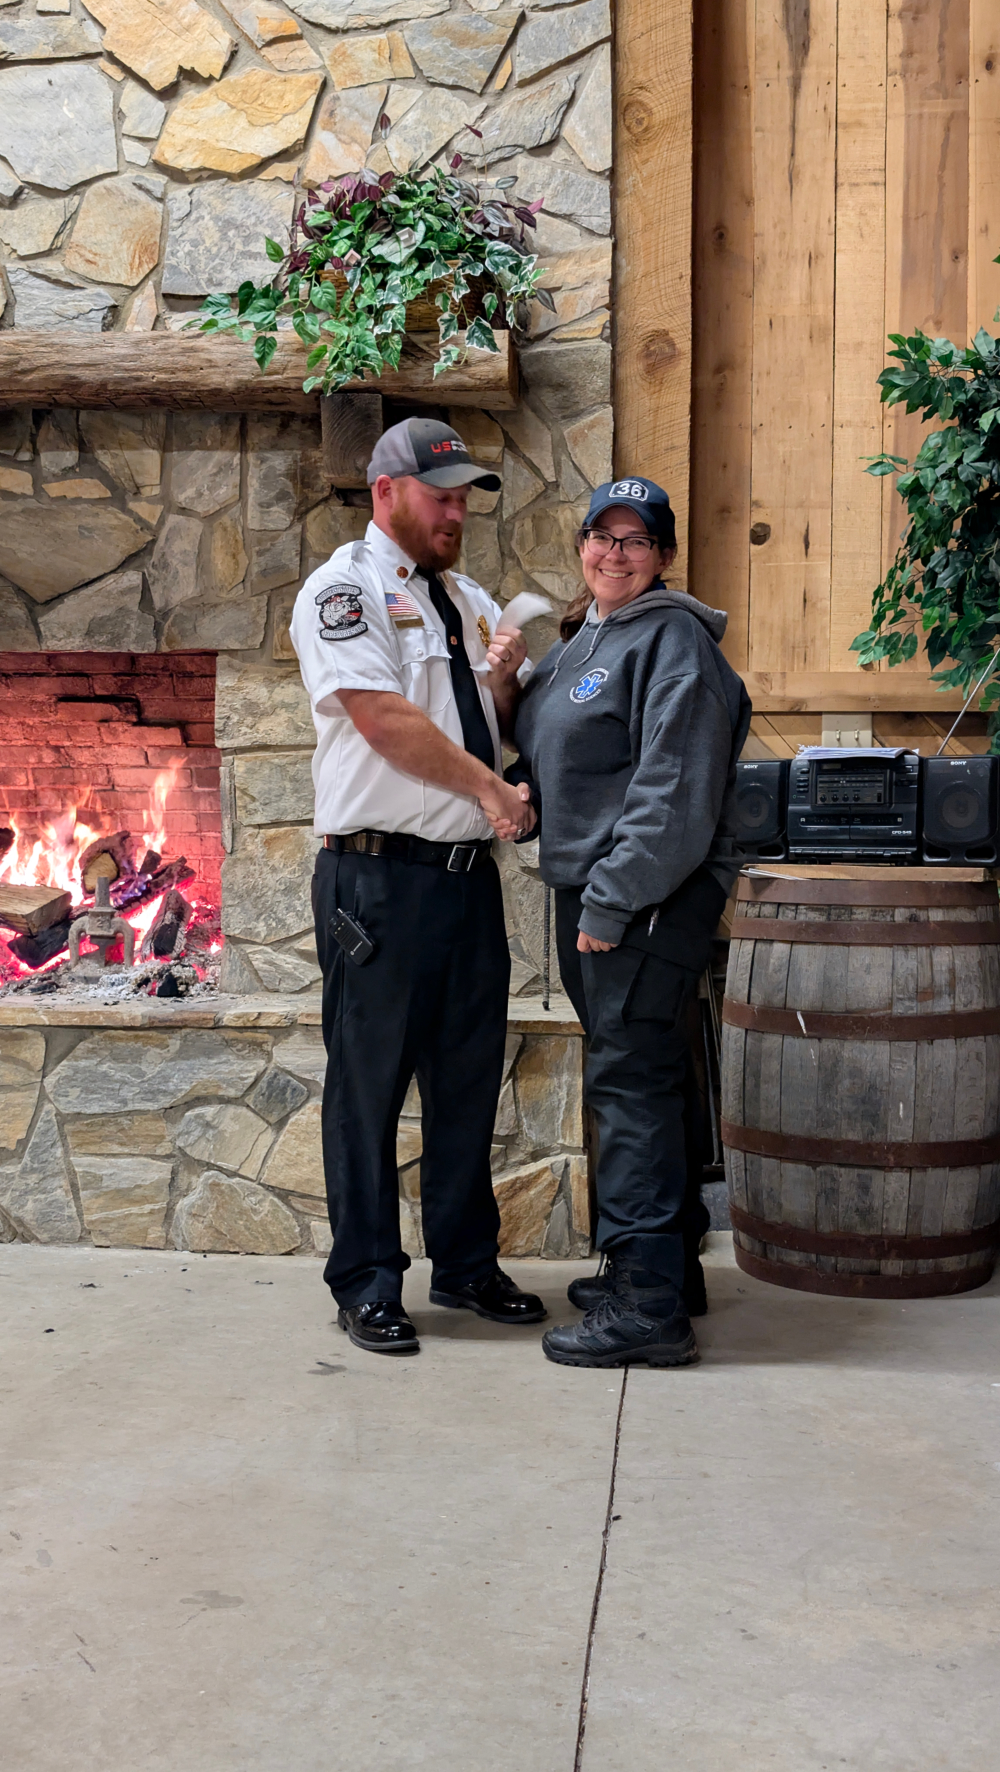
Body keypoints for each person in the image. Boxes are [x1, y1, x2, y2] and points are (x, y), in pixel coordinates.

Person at [290, 417, 543, 1357]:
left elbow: (493, 725)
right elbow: (383, 719)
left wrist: (505, 686)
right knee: (368, 1090)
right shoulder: (343, 591)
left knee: (467, 1083)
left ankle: (466, 1265)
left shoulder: (470, 601)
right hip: (377, 880)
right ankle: (365, 1282)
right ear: (386, 492)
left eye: (465, 498)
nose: (457, 514)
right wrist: (492, 791)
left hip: (465, 883)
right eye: (441, 497)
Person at [508, 477, 751, 1369]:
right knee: (650, 1075)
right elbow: (555, 754)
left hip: (645, 898)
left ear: (664, 555)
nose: (614, 553)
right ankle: (667, 1269)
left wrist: (613, 899)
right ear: (582, 544)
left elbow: (672, 791)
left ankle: (647, 1309)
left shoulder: (672, 641)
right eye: (601, 536)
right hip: (595, 891)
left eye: (636, 540)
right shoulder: (586, 640)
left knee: (631, 1089)